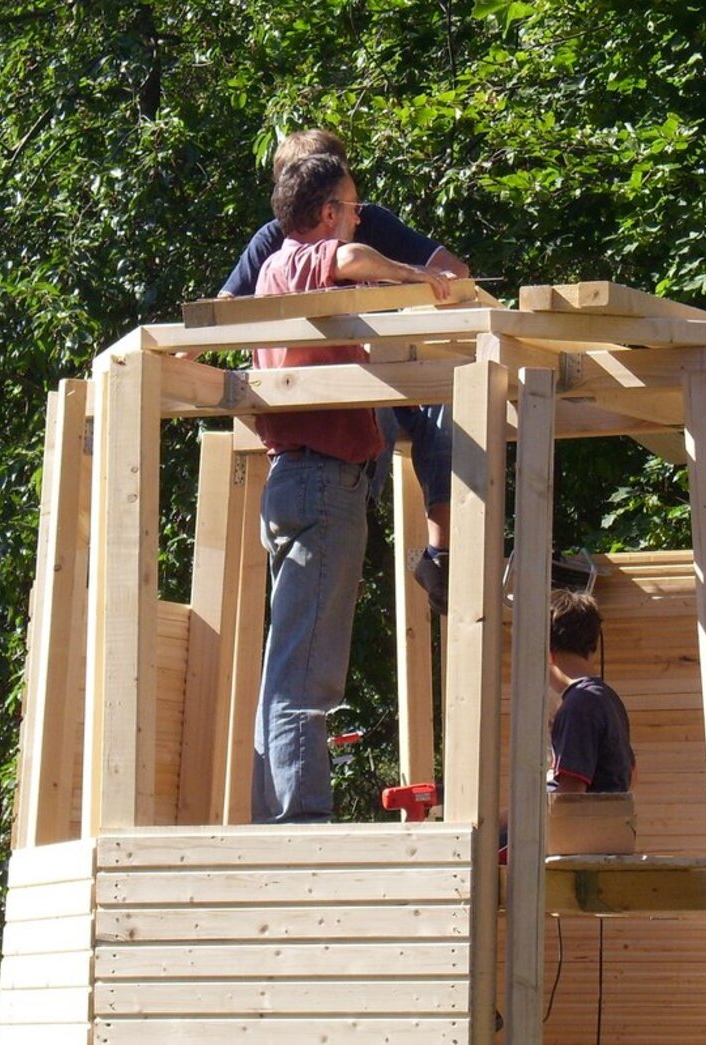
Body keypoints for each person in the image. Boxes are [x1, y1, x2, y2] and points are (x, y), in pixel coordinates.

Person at [250, 152, 451, 824]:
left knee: (289, 666)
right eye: (353, 204)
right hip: (323, 481)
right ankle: (300, 829)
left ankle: (281, 819)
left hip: (300, 481)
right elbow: (353, 259)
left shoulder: (281, 283)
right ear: (328, 214)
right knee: (308, 676)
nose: (361, 213)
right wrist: (415, 275)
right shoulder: (296, 263)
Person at [219, 129, 467, 614]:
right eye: (346, 201)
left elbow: (455, 271)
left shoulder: (368, 222)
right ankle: (347, 537)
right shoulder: (282, 243)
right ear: (322, 205)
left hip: (387, 375)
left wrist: (433, 295)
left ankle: (441, 555)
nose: (357, 212)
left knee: (448, 405)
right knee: (373, 414)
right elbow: (221, 312)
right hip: (335, 397)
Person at [547, 588, 636, 794]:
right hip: (608, 823)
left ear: (547, 653)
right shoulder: (607, 698)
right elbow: (633, 776)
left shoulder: (578, 706)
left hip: (581, 826)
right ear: (592, 647)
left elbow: (570, 798)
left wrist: (505, 822)